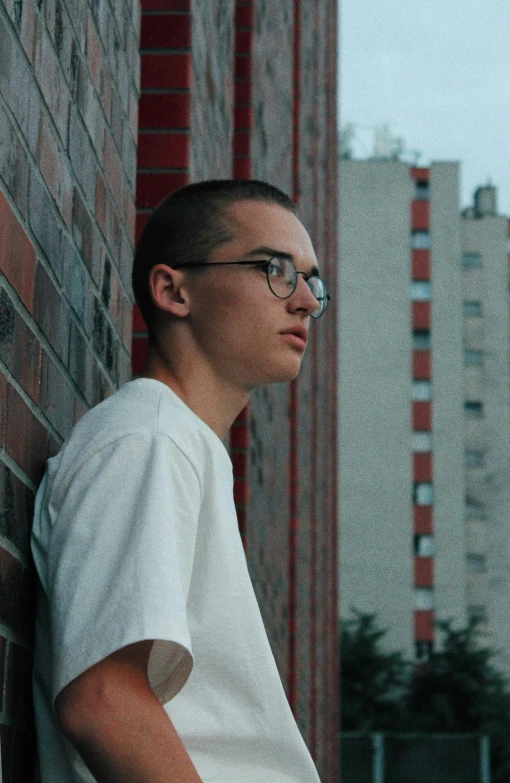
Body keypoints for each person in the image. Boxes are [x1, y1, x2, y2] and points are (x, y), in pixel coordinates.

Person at [31, 179, 330, 783]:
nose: (305, 301)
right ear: (173, 290)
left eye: (312, 280)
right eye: (275, 269)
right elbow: (103, 701)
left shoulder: (179, 444)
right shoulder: (151, 438)